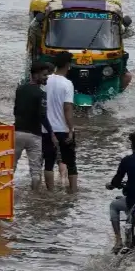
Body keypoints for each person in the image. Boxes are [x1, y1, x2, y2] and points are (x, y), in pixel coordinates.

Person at [43, 52, 78, 192]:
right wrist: (71, 129)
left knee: (48, 163)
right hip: (62, 128)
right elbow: (67, 108)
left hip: (46, 129)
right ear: (68, 65)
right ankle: (73, 191)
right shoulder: (67, 84)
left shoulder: (45, 80)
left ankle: (50, 193)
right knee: (71, 163)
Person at [13, 62, 52, 188]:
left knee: (11, 167)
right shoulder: (41, 94)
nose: (46, 78)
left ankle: (7, 193)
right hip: (34, 135)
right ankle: (34, 196)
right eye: (44, 75)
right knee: (35, 171)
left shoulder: (20, 89)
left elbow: (15, 111)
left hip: (17, 132)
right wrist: (51, 133)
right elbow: (42, 116)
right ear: (35, 75)